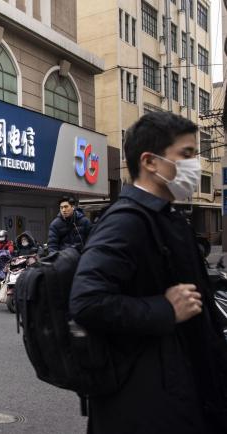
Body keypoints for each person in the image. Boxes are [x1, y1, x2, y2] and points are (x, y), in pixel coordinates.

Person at [70, 112, 227, 434]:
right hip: (147, 405)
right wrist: (165, 309)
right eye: (185, 154)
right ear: (150, 161)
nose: (194, 164)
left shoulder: (165, 216)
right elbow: (86, 301)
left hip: (184, 388)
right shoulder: (126, 221)